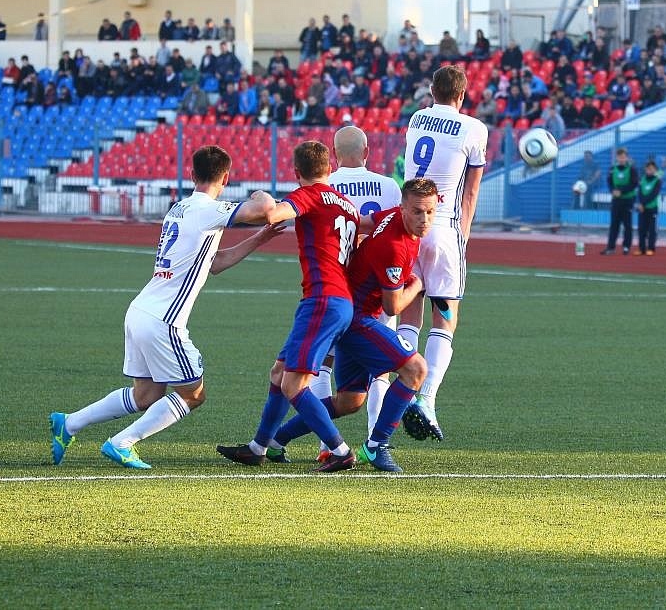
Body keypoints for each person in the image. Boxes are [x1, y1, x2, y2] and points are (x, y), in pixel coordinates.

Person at [48, 146, 284, 468]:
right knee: (194, 394)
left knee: (146, 396)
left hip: (140, 310)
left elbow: (215, 262)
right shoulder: (207, 210)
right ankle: (123, 442)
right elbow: (266, 209)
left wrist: (259, 239)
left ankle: (69, 423)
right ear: (226, 178)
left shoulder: (179, 208)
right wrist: (261, 193)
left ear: (191, 174)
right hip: (164, 320)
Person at [256, 178, 439, 472]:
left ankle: (277, 440)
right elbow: (393, 307)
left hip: (347, 311)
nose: (424, 219)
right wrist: (416, 284)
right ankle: (375, 447)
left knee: (350, 400)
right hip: (358, 320)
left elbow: (359, 222)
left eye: (430, 212)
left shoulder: (390, 216)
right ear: (403, 207)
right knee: (416, 369)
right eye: (417, 211)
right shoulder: (394, 247)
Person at [216, 141, 362, 472]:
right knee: (279, 373)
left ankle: (340, 451)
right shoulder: (348, 206)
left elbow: (272, 214)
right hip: (338, 300)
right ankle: (258, 447)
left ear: (297, 173)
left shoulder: (308, 195)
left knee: (294, 385)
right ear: (330, 168)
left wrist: (259, 197)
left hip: (322, 299)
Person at [395, 65, 488, 442]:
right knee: (445, 318)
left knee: (408, 313)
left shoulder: (417, 118)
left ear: (431, 90)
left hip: (408, 226)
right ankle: (427, 399)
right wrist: (462, 236)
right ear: (463, 95)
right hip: (443, 226)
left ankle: (399, 395)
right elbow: (470, 191)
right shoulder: (474, 128)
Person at [601, 148, 638, 255]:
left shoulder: (632, 169)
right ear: (617, 158)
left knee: (627, 225)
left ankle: (626, 247)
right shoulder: (612, 169)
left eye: (623, 157)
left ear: (627, 157)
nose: (622, 159)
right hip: (616, 200)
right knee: (614, 224)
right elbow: (609, 182)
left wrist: (621, 191)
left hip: (628, 200)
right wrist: (613, 190)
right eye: (620, 157)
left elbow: (634, 183)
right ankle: (610, 247)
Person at [636, 158, 661, 255]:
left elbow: (653, 194)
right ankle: (641, 248)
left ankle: (651, 248)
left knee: (652, 230)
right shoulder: (642, 180)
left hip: (652, 209)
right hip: (642, 209)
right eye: (648, 168)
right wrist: (641, 204)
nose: (649, 170)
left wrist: (643, 204)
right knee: (641, 229)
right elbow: (640, 193)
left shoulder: (657, 181)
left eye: (651, 169)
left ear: (655, 170)